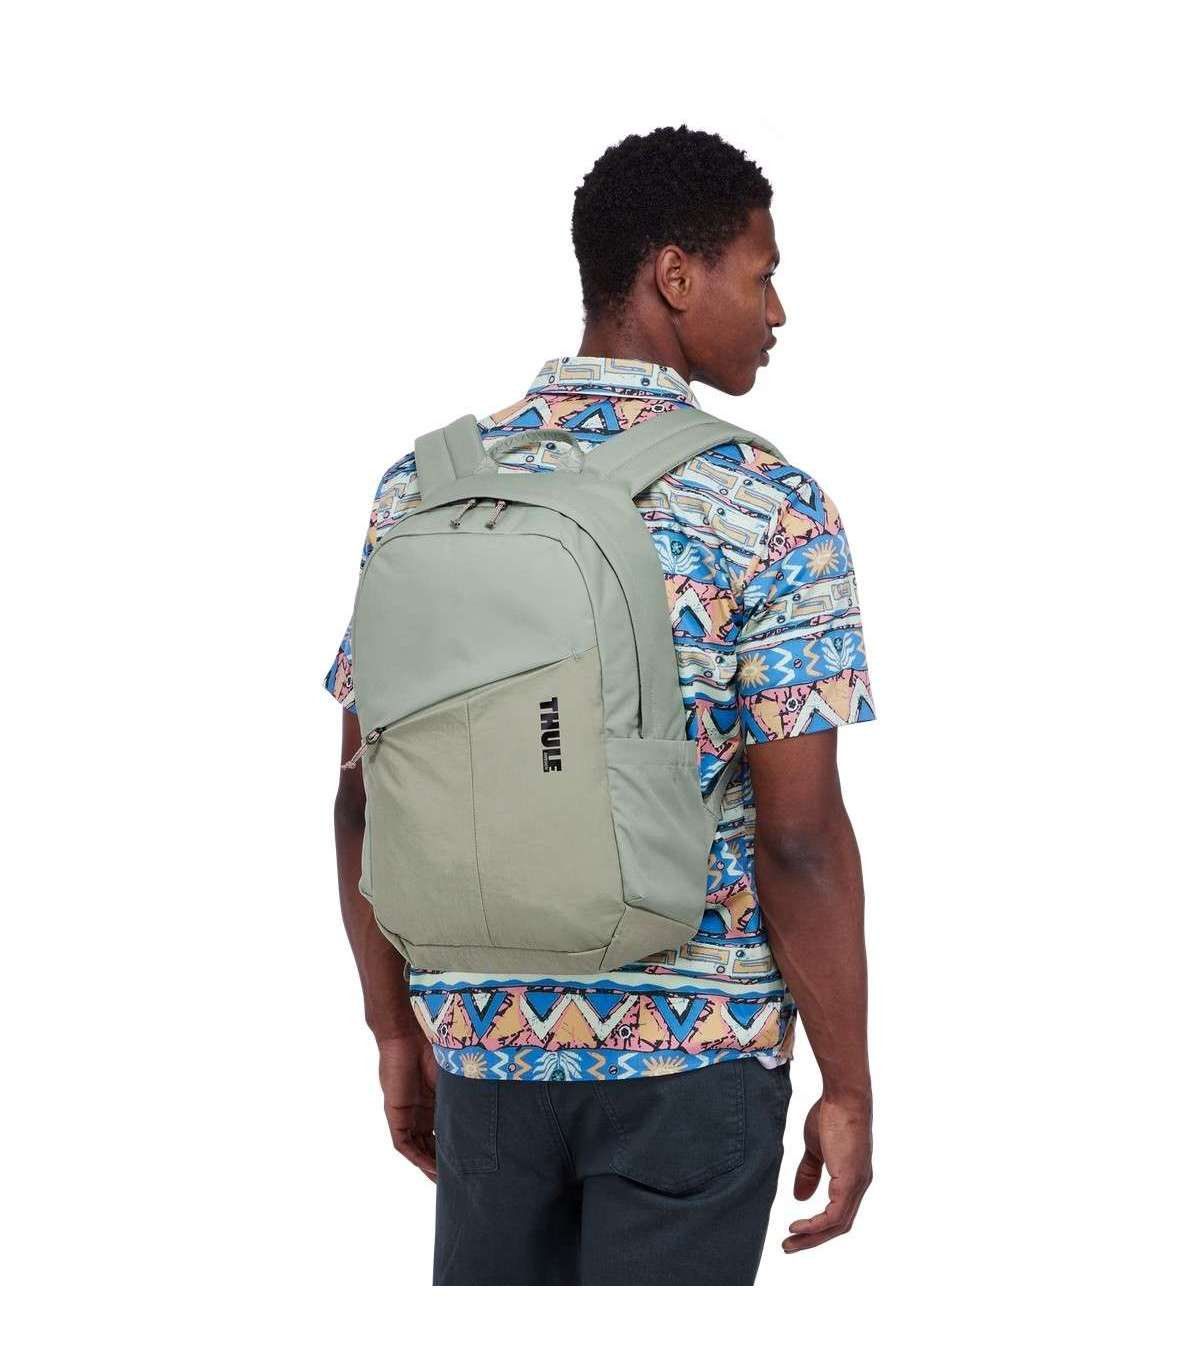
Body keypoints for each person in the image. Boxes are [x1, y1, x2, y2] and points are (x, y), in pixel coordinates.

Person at [327, 125, 876, 1285]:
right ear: (674, 275)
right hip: (695, 1059)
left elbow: (363, 796)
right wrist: (850, 1085)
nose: (777, 311)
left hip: (482, 1047)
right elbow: (799, 838)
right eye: (762, 274)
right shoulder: (768, 505)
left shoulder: (421, 490)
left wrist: (392, 1031)